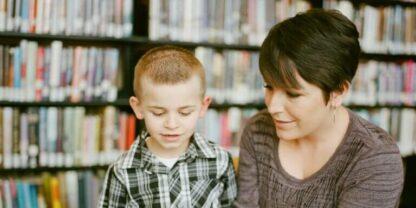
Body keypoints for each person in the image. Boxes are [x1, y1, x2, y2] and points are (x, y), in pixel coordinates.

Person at [234, 9, 404, 208]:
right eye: (268, 87)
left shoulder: (375, 158)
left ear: (338, 92)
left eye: (293, 94)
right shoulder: (258, 131)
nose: (272, 107)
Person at [98, 45, 237, 207]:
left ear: (203, 106)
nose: (171, 124)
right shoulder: (121, 171)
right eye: (158, 113)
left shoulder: (220, 161)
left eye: (184, 113)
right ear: (138, 108)